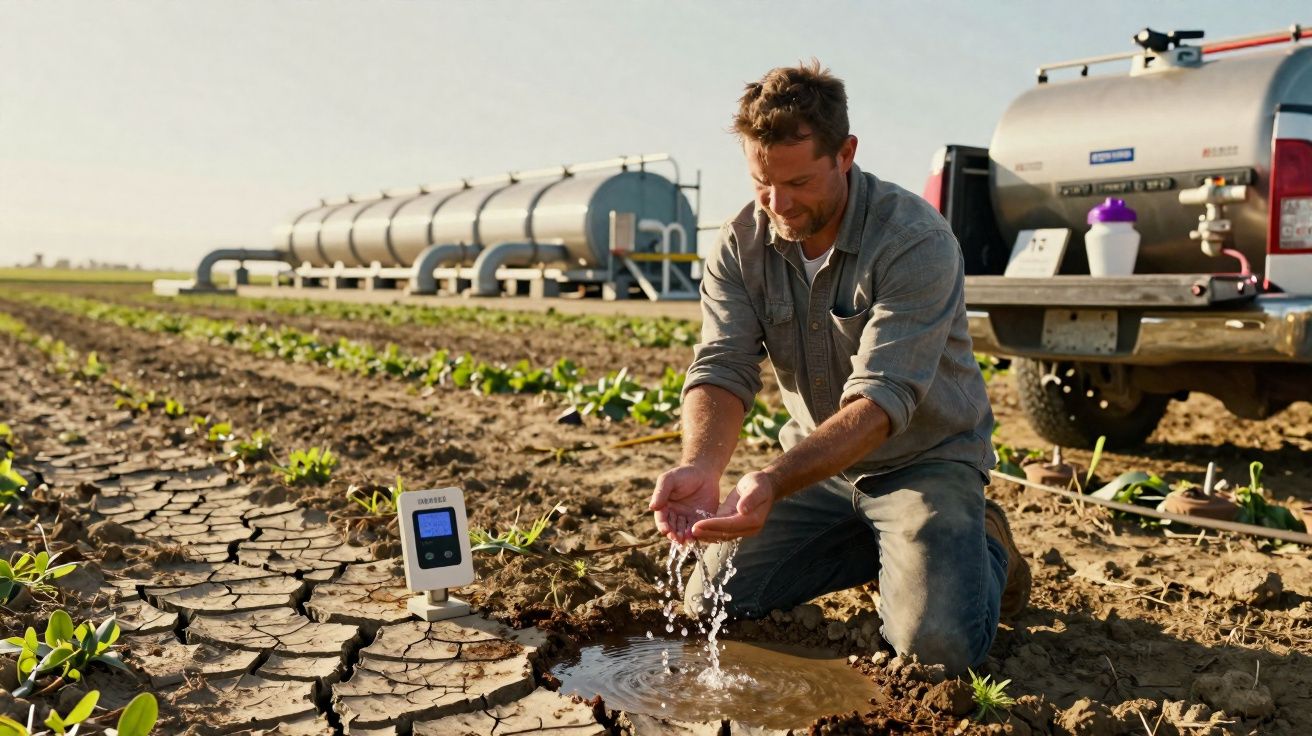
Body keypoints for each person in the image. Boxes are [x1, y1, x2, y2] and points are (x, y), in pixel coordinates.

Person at [648, 60, 1029, 675]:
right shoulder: (739, 244)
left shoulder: (913, 239)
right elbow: (722, 365)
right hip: (819, 472)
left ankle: (984, 546)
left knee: (934, 651)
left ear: (845, 153)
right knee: (712, 600)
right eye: (762, 183)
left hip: (923, 463)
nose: (779, 203)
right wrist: (702, 464)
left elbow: (882, 403)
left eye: (798, 183)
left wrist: (770, 481)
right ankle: (885, 546)